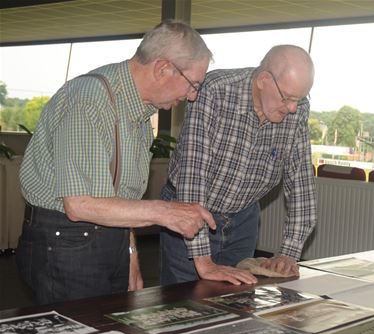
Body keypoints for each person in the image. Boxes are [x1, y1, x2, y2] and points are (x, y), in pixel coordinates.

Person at [16, 20, 216, 305]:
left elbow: (119, 199)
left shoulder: (139, 113)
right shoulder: (90, 100)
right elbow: (80, 205)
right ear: (163, 69)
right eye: (193, 84)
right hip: (65, 243)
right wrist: (167, 212)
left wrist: (131, 255)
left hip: (108, 237)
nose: (192, 96)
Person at [160, 45, 316, 286]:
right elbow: (193, 177)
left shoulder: (298, 109)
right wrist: (203, 260)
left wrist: (289, 252)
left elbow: (302, 183)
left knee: (236, 304)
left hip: (243, 218)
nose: (293, 108)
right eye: (287, 98)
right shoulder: (216, 91)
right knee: (184, 302)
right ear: (263, 80)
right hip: (189, 212)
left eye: (300, 99)